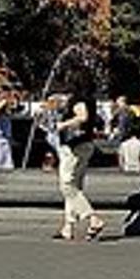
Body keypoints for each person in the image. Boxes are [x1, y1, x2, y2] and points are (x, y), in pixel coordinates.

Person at [51, 91, 107, 241]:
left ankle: (93, 218)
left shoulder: (78, 99)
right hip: (86, 144)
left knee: (67, 185)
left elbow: (83, 117)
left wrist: (62, 124)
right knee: (75, 187)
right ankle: (68, 227)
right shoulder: (90, 99)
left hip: (74, 147)